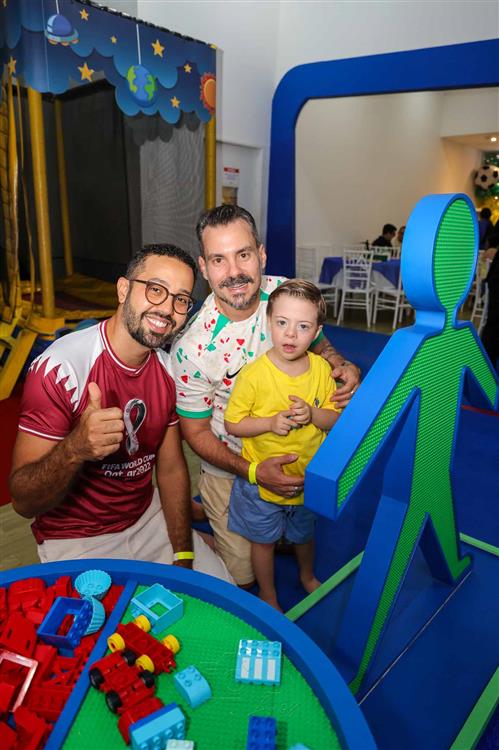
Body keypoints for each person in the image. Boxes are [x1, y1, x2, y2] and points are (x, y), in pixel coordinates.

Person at [9, 244, 232, 582]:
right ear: (123, 289)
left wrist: (182, 553)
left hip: (147, 518)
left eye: (181, 299)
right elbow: (23, 502)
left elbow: (171, 469)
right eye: (155, 290)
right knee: (111, 618)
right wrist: (75, 448)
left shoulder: (168, 370)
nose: (167, 309)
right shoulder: (61, 368)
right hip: (76, 538)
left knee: (221, 592)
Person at [171, 204, 361, 587]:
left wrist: (341, 365)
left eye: (243, 254)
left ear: (261, 254)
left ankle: (214, 514)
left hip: (297, 454)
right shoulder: (192, 349)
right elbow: (196, 434)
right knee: (242, 578)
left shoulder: (283, 293)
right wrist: (255, 472)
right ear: (204, 267)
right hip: (232, 468)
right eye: (219, 260)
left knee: (294, 536)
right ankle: (192, 531)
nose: (234, 272)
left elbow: (320, 345)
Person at [224, 280, 342, 610]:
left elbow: (335, 420)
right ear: (269, 322)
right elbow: (233, 423)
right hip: (261, 486)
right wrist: (269, 423)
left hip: (306, 479)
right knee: (262, 542)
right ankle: (268, 593)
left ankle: (307, 576)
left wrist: (313, 414)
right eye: (282, 323)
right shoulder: (253, 375)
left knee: (304, 535)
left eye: (303, 326)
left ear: (317, 331)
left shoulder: (321, 370)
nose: (290, 334)